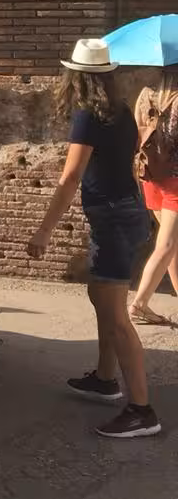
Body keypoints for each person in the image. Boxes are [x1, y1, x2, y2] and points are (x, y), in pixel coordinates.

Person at [28, 37, 161, 438]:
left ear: (76, 77)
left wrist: (44, 231)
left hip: (115, 219)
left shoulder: (87, 116)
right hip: (126, 214)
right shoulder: (119, 111)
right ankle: (105, 379)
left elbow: (71, 177)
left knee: (117, 317)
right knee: (101, 296)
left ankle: (142, 411)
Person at [128, 68, 178, 327]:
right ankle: (140, 304)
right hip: (175, 180)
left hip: (151, 177)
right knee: (167, 245)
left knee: (171, 244)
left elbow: (138, 136)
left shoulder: (145, 95)